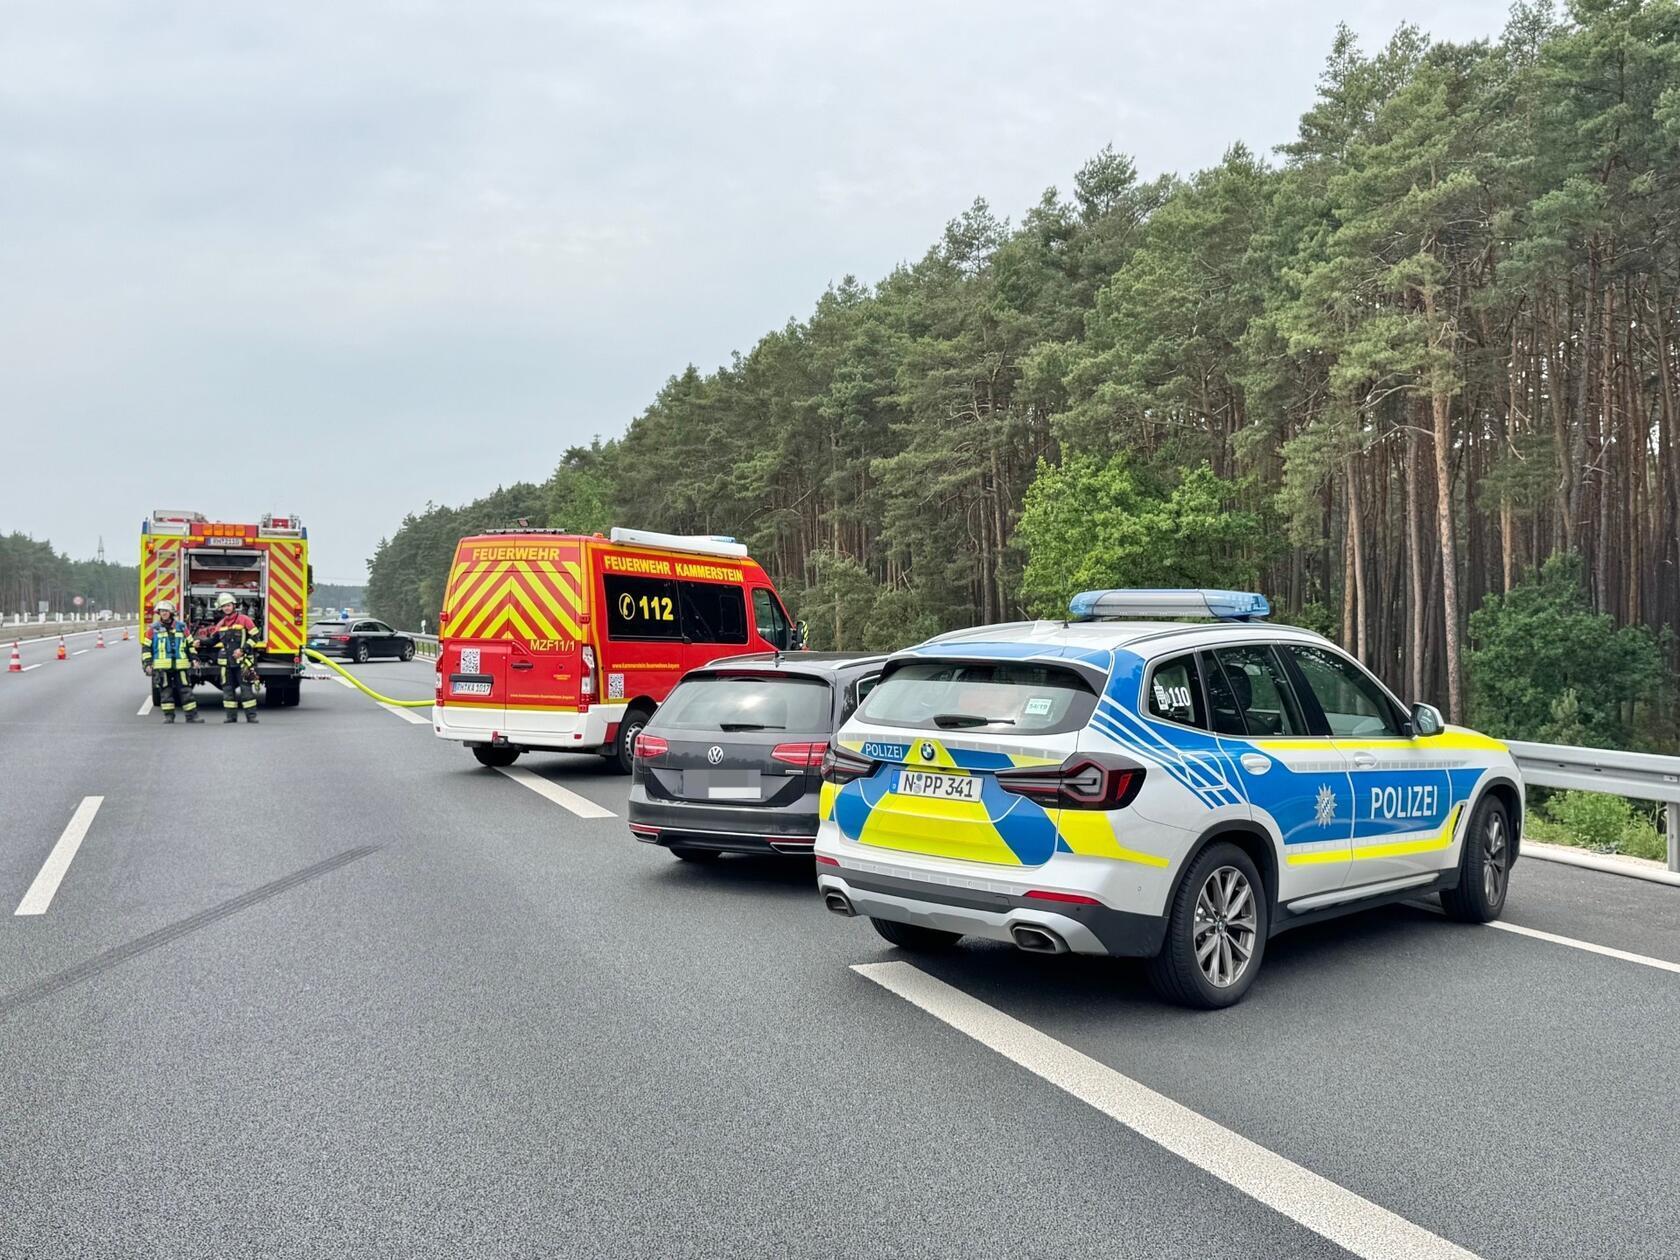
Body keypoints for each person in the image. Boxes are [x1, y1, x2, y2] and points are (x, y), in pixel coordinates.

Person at [203, 592, 262, 723]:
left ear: (234, 606)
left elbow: (255, 636)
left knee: (246, 689)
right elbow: (213, 641)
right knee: (227, 690)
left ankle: (251, 717)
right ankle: (231, 717)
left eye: (228, 605)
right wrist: (200, 642)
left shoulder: (244, 619)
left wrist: (243, 649)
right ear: (221, 609)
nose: (227, 608)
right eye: (224, 606)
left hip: (243, 662)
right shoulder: (221, 624)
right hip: (227, 664)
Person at [142, 600, 202, 724]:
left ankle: (192, 716)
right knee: (166, 692)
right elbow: (146, 647)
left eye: (166, 611)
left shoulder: (181, 627)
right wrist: (147, 663)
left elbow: (190, 645)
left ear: (171, 612)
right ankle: (169, 716)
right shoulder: (153, 629)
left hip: (181, 665)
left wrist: (195, 659)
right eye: (161, 611)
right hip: (162, 667)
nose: (163, 613)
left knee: (186, 691)